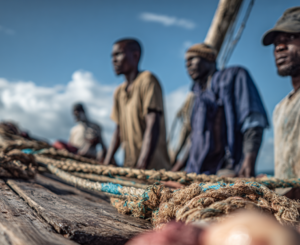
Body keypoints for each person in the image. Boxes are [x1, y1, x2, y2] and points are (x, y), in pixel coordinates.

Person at [173, 43, 269, 177]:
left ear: (210, 58)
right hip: (197, 171)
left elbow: (252, 121)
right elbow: (194, 139)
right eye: (186, 62)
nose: (187, 65)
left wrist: (248, 162)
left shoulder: (234, 76)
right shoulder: (198, 96)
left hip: (227, 169)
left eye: (192, 59)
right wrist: (175, 169)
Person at [104, 38, 170, 170]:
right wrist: (107, 162)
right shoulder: (119, 92)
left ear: (135, 55)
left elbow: (153, 125)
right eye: (112, 56)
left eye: (118, 54)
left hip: (152, 169)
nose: (114, 60)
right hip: (130, 167)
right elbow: (118, 130)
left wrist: (142, 166)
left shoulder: (147, 81)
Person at [262, 7, 300, 197]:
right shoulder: (280, 108)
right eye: (277, 43)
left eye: (290, 38)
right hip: (288, 211)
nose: (279, 47)